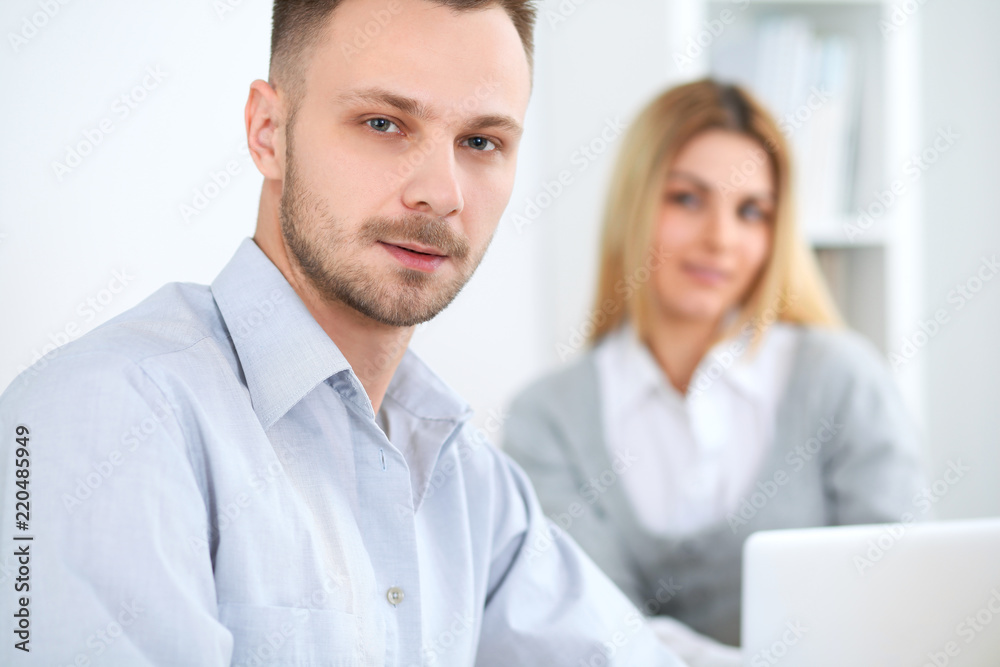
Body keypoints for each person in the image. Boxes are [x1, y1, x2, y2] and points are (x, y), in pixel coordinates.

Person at [0, 2, 689, 665]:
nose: (440, 191)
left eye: (481, 141)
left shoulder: (466, 480)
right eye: (384, 123)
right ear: (268, 130)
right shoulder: (102, 421)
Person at [502, 79, 926, 664]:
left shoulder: (841, 381)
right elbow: (592, 628)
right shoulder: (548, 418)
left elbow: (899, 597)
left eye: (751, 211)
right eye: (687, 199)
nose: (721, 239)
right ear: (636, 204)